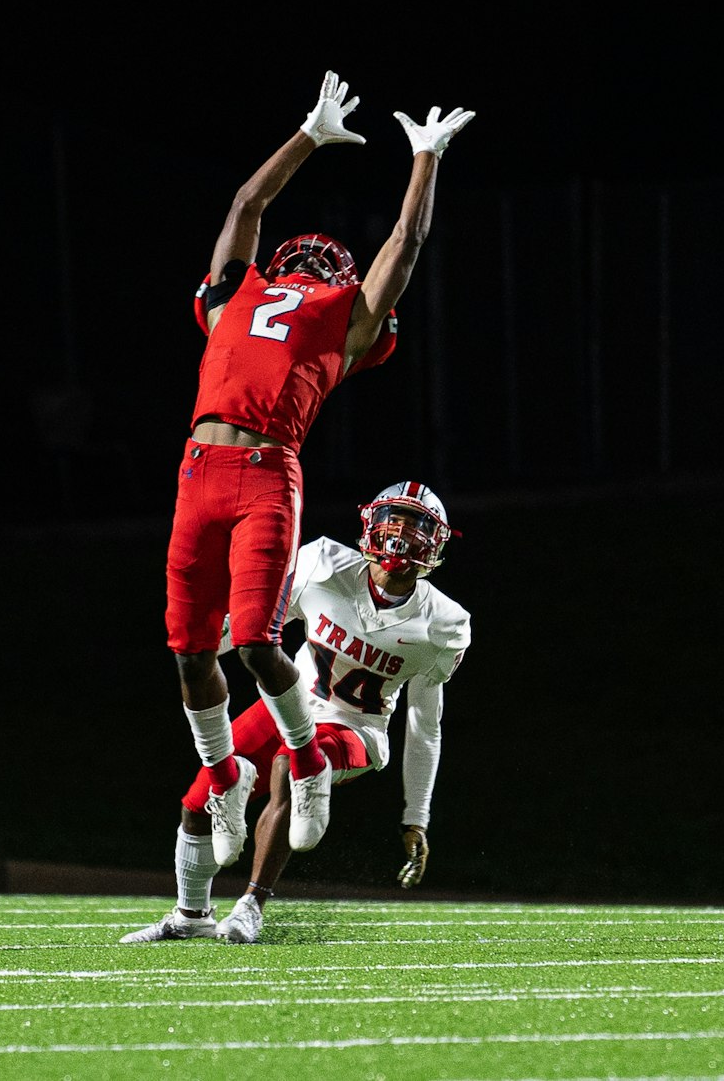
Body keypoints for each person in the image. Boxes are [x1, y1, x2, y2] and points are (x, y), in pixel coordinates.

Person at [165, 71, 475, 871]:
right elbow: (244, 207)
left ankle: (304, 769)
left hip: (267, 467)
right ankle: (223, 784)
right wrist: (309, 133)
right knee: (192, 652)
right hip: (198, 465)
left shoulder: (344, 322)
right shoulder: (238, 292)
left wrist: (425, 162)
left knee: (260, 642)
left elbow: (403, 248)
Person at [122, 479, 470, 944]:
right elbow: (256, 630)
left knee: (295, 764)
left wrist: (416, 815)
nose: (399, 534)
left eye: (414, 524)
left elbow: (425, 724)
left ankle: (252, 904)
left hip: (357, 728)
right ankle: (191, 914)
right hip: (290, 705)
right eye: (394, 520)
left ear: (436, 540)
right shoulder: (324, 563)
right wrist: (200, 651)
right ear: (371, 523)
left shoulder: (444, 623)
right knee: (198, 800)